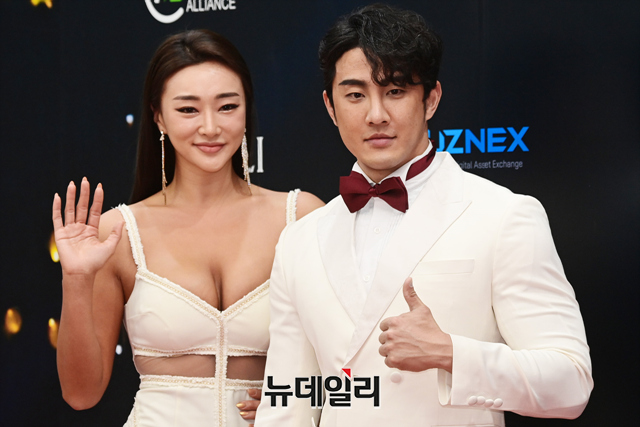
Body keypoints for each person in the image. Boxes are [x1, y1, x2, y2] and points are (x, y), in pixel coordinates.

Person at [255, 4, 593, 426]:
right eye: (356, 95)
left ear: (430, 99)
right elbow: (288, 402)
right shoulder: (300, 240)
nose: (376, 115)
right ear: (330, 106)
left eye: (395, 91)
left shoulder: (503, 215)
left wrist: (450, 353)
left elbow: (570, 383)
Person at [52, 29, 323, 427]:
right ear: (158, 116)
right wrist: (76, 280)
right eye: (188, 110)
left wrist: (295, 395)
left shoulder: (301, 217)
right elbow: (81, 394)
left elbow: (347, 358)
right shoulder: (119, 232)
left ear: (246, 109)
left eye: (227, 106)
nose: (210, 127)